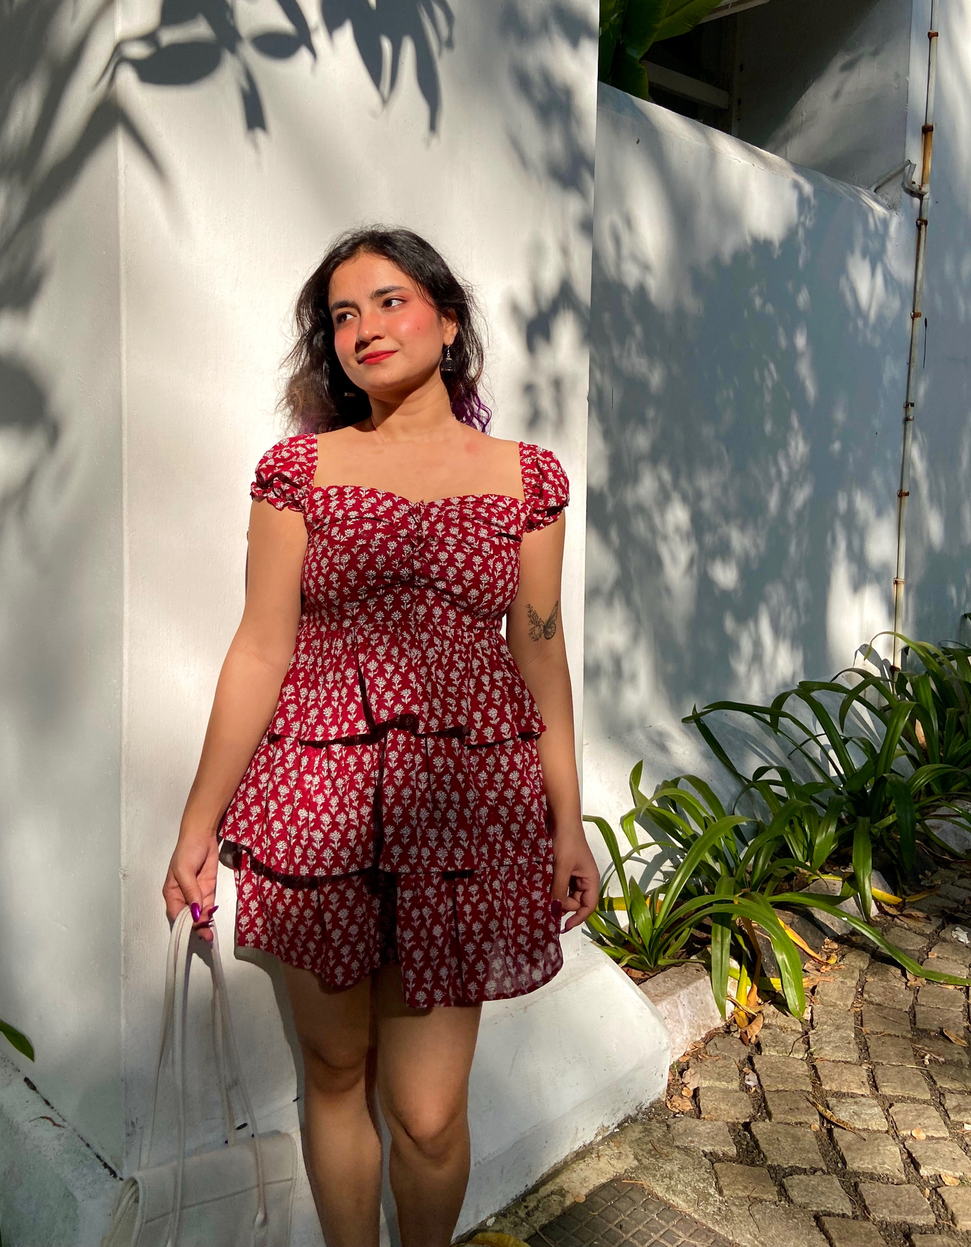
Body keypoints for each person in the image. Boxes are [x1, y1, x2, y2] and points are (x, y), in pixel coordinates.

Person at [163, 226, 599, 1247]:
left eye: (390, 301)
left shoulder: (527, 479)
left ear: (448, 321)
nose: (364, 329)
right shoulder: (299, 471)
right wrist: (199, 821)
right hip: (318, 804)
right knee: (335, 1072)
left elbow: (541, 656)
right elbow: (260, 651)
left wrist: (567, 825)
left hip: (469, 816)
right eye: (343, 316)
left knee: (430, 1115)